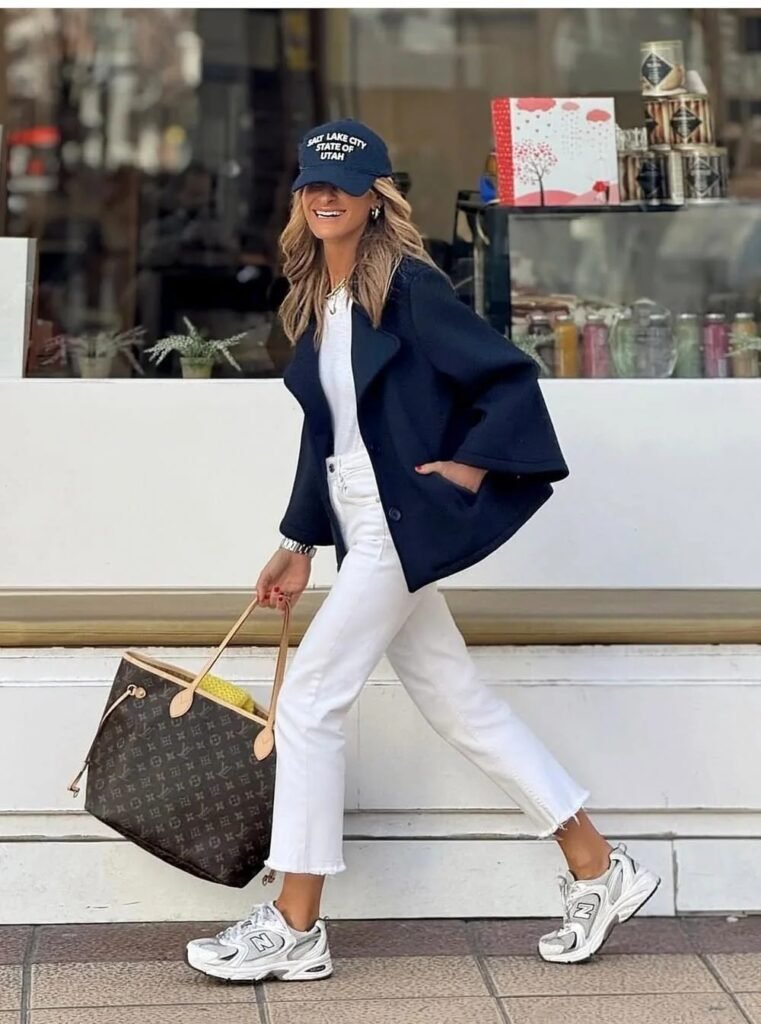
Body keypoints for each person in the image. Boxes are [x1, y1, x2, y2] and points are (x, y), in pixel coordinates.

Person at [186, 119, 659, 983]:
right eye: (312, 185)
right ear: (299, 198)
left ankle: (296, 925)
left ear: (376, 198)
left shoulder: (404, 288)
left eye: (344, 184)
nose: (325, 197)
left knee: (311, 700)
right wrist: (296, 539)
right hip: (360, 523)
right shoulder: (317, 298)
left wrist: (471, 471)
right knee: (457, 704)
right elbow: (324, 434)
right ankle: (598, 863)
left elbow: (506, 377)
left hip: (398, 528)